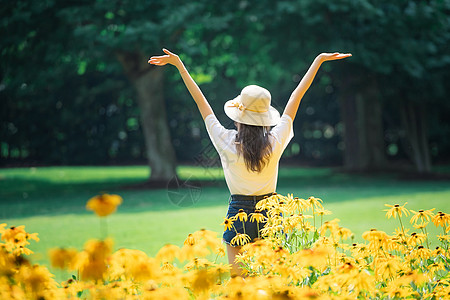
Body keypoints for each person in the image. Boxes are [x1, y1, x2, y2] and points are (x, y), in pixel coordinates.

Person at [148, 48, 351, 275]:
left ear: (239, 117)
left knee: (239, 283)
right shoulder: (276, 140)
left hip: (238, 212)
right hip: (271, 213)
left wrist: (180, 65)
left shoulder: (224, 139)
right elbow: (296, 96)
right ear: (265, 118)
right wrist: (318, 60)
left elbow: (200, 102)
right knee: (275, 281)